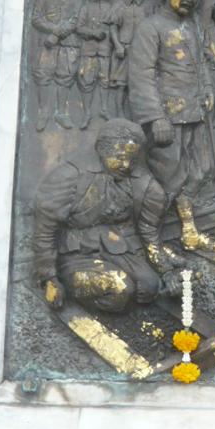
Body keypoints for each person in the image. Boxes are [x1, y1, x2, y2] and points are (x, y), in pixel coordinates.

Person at [128, 0, 215, 253]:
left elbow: (201, 65)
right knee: (167, 179)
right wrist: (155, 118)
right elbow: (141, 76)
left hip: (195, 114)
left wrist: (207, 88)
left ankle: (188, 230)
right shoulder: (151, 28)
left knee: (199, 171)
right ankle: (148, 241)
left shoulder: (193, 28)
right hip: (167, 119)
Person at [34, 118, 186, 313]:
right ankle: (76, 287)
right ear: (102, 150)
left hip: (113, 246)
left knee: (150, 286)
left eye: (132, 159)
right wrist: (49, 277)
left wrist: (166, 271)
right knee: (119, 290)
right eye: (120, 157)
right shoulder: (68, 177)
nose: (126, 165)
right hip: (76, 252)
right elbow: (45, 231)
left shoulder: (137, 181)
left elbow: (149, 230)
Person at [32, 0, 83, 131]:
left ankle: (61, 113)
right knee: (43, 76)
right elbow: (36, 18)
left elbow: (76, 18)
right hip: (46, 42)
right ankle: (43, 112)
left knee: (65, 77)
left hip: (69, 42)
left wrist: (58, 34)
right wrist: (53, 31)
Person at [108, 0, 153, 117]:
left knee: (140, 84)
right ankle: (120, 114)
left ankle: (139, 114)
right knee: (121, 84)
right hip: (124, 50)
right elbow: (113, 27)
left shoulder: (148, 6)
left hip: (143, 52)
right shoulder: (119, 5)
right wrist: (118, 45)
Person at [77, 0, 113, 129]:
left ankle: (104, 109)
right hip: (88, 52)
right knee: (87, 82)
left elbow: (116, 26)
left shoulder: (111, 8)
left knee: (105, 81)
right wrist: (93, 33)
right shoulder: (86, 8)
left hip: (105, 51)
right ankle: (87, 113)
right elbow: (79, 27)